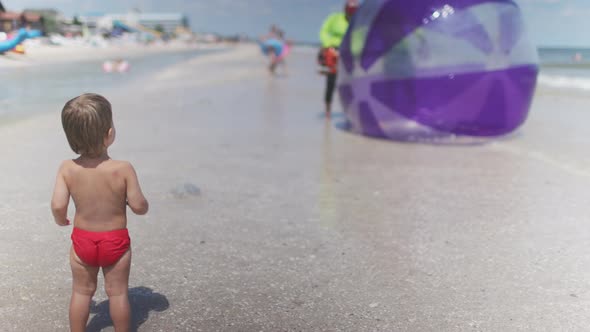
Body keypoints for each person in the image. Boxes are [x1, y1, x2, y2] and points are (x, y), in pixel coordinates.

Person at [51, 93, 149, 332]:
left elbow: (57, 205)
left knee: (82, 292)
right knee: (117, 294)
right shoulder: (123, 169)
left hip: (83, 240)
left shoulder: (67, 168)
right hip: (114, 242)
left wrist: (60, 218)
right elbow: (139, 206)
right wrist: (137, 204)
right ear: (109, 134)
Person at [318, 0, 359, 117]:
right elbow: (324, 31)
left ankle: (351, 110)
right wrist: (328, 44)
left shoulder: (359, 22)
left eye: (354, 9)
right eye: (349, 8)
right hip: (333, 52)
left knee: (351, 83)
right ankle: (328, 110)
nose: (351, 11)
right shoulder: (335, 18)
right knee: (331, 82)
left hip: (350, 55)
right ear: (345, 8)